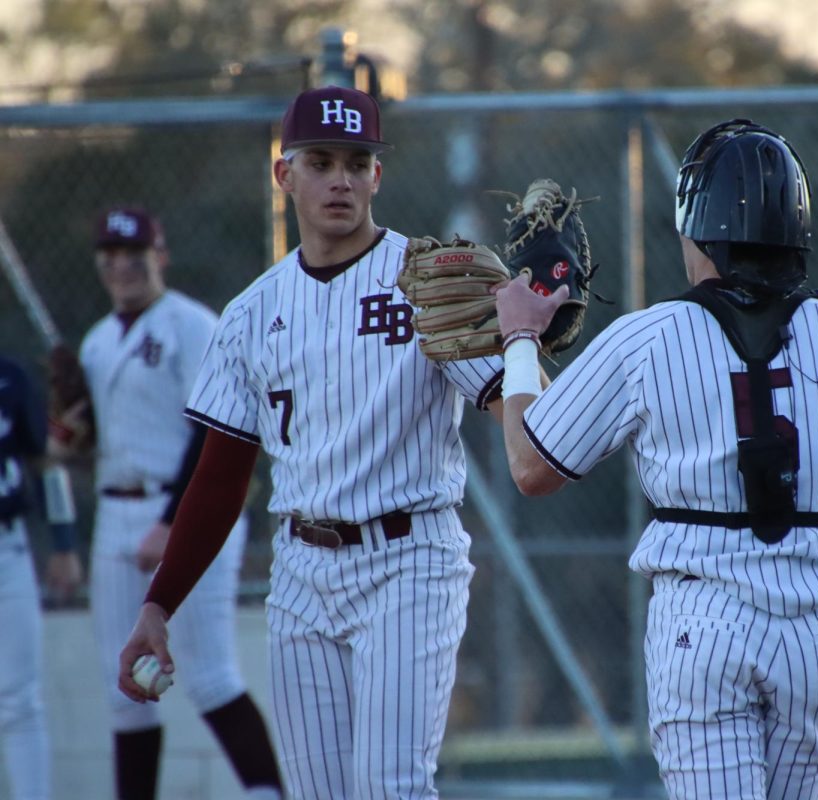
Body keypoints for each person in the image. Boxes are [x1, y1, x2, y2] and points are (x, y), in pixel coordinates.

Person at [493, 119, 818, 799]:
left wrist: (519, 339)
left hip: (702, 625)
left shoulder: (647, 338)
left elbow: (530, 466)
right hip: (814, 633)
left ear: (697, 228)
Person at [117, 85, 518, 798]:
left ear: (376, 176)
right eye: (321, 160)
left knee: (389, 785)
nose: (340, 178)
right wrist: (158, 604)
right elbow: (219, 479)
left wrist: (521, 341)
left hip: (409, 558)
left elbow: (513, 416)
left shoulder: (428, 281)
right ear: (285, 174)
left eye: (357, 162)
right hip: (301, 571)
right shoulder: (250, 314)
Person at [71, 206, 282, 800]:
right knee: (124, 691)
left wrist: (169, 522)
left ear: (159, 255)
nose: (123, 267)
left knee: (210, 675)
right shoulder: (96, 342)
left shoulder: (191, 324)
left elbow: (211, 430)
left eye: (134, 255)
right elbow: (95, 438)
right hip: (115, 510)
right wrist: (68, 434)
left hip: (185, 507)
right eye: (110, 257)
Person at [0, 353, 83, 800]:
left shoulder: (9, 375)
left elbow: (45, 460)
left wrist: (66, 543)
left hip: (7, 549)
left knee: (20, 700)